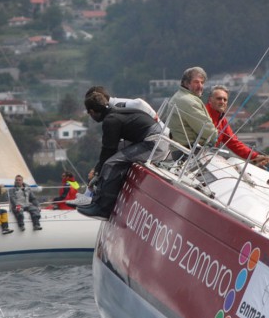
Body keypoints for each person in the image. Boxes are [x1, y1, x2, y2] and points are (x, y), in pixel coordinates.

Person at [78, 88, 166, 220]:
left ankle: (103, 209)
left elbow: (108, 150)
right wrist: (98, 170)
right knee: (109, 161)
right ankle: (97, 201)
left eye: (89, 113)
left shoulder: (111, 120)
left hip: (154, 145)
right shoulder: (116, 112)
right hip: (155, 140)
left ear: (92, 111)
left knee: (111, 164)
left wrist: (97, 173)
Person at [205, 86, 269, 168]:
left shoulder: (222, 121)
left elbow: (234, 143)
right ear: (210, 100)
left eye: (225, 100)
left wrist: (255, 156)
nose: (222, 102)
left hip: (207, 158)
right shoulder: (203, 113)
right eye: (219, 99)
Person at [164, 67, 217, 148]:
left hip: (180, 150)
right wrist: (216, 137)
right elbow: (208, 131)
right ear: (186, 83)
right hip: (190, 151)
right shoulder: (188, 101)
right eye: (196, 82)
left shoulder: (178, 96)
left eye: (202, 82)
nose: (200, 86)